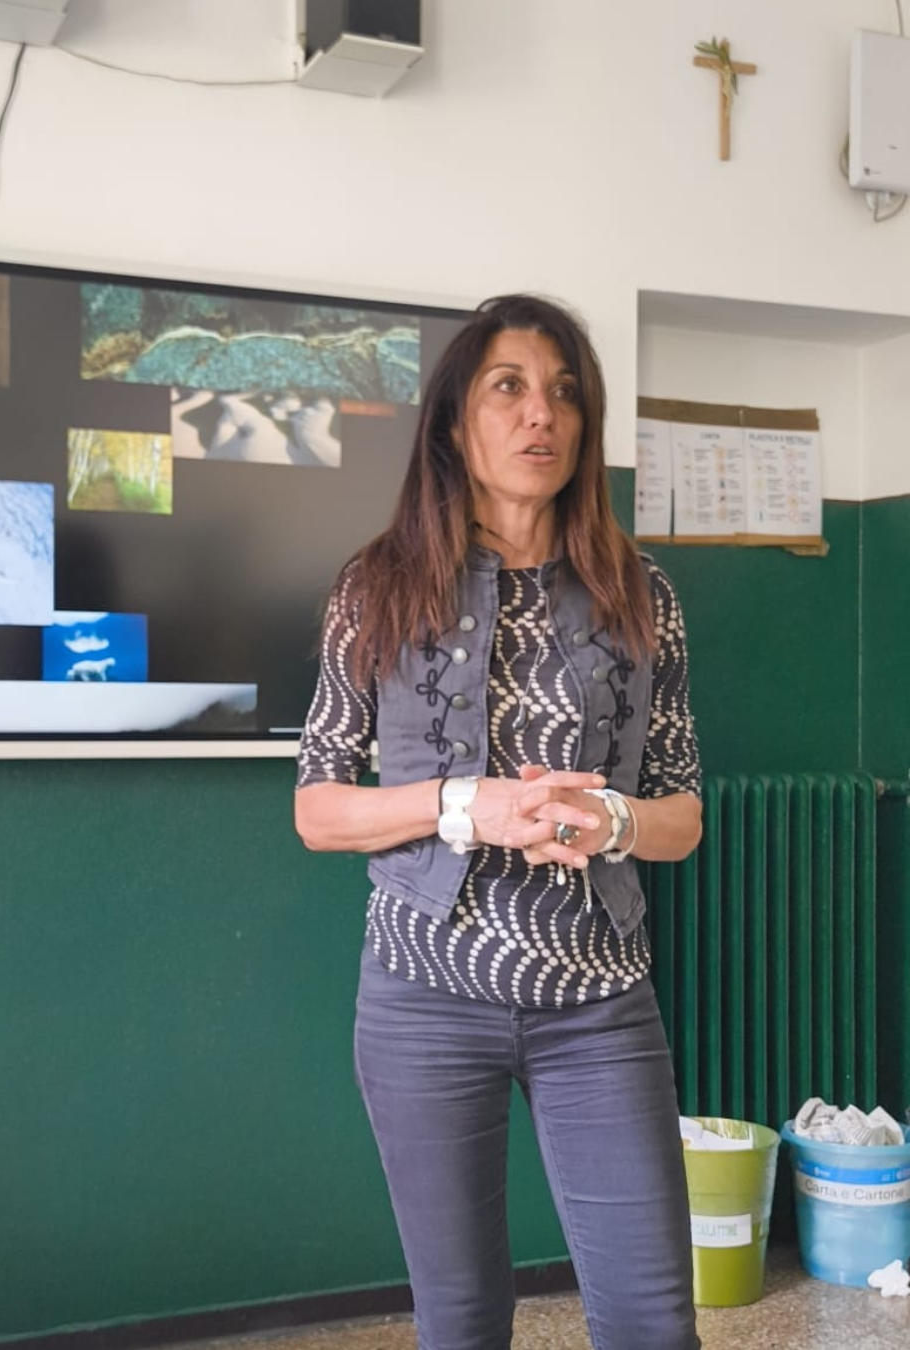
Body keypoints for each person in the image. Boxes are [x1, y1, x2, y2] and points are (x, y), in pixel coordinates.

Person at [294, 293, 702, 1350]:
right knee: (464, 1319)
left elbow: (683, 814)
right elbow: (318, 809)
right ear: (454, 421)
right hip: (423, 1001)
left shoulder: (641, 593)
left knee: (654, 1322)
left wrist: (612, 820)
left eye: (564, 393)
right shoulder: (377, 586)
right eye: (508, 388)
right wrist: (459, 804)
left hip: (600, 1004)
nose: (541, 415)